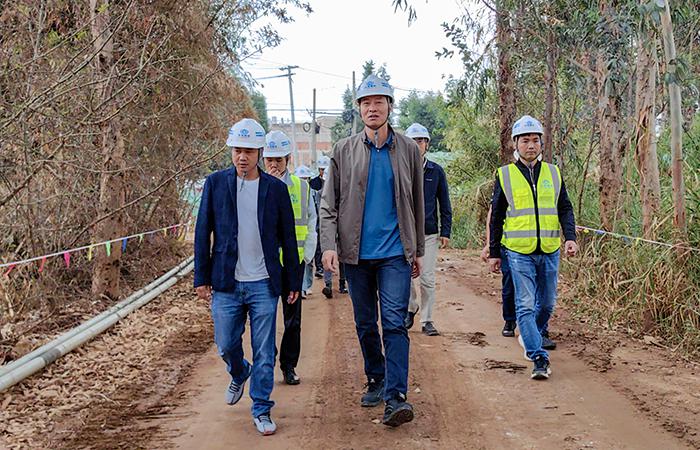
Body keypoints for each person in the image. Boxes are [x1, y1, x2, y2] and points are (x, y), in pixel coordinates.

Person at [320, 74, 425, 427]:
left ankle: (396, 397)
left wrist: (417, 249)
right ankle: (376, 378)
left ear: (390, 106)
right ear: (359, 109)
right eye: (366, 103)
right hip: (356, 255)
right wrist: (328, 246)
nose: (372, 108)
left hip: (395, 253)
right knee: (365, 323)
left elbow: (417, 201)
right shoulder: (343, 151)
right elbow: (329, 205)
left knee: (394, 323)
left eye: (379, 101)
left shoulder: (408, 150)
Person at [194, 118, 300, 435]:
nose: (242, 157)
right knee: (226, 343)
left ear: (259, 153)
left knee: (265, 351)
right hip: (226, 281)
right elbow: (202, 232)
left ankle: (262, 408)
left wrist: (293, 281)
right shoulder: (215, 184)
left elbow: (288, 238)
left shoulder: (276, 190)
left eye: (249, 151)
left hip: (264, 283)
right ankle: (240, 372)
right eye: (238, 150)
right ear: (232, 151)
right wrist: (201, 277)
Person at [488, 115, 578, 380]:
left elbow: (565, 207)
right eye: (525, 140)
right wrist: (494, 252)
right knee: (525, 305)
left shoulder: (553, 172)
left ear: (541, 143)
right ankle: (538, 357)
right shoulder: (505, 175)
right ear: (515, 143)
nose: (531, 145)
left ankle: (530, 335)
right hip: (518, 252)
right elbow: (496, 217)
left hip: (549, 249)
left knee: (547, 304)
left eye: (535, 140)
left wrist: (570, 237)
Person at [263, 131, 317, 386]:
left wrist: (307, 256)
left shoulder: (301, 187)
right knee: (264, 317)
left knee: (292, 320)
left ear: (288, 160)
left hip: (293, 263)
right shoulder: (255, 186)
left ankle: (289, 365)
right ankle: (267, 361)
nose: (273, 165)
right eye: (269, 159)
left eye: (278, 160)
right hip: (264, 264)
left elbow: (311, 222)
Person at [403, 123, 452, 337]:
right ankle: (410, 306)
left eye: (422, 140)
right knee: (404, 275)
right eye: (414, 141)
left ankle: (427, 319)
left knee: (427, 278)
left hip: (429, 233)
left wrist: (445, 231)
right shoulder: (400, 169)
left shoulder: (436, 171)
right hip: (404, 233)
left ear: (427, 144)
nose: (418, 144)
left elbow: (444, 202)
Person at [482, 204, 517, 338]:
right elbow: (493, 216)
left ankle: (540, 327)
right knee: (509, 285)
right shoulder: (503, 190)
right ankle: (509, 320)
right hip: (507, 245)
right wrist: (491, 246)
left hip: (537, 248)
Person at [294, 164, 317, 296]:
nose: (303, 180)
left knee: (308, 264)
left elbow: (312, 216)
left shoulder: (309, 191)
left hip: (305, 239)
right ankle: (301, 288)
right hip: (291, 243)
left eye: (305, 178)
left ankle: (306, 286)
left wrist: (311, 239)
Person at [311, 156, 329, 279]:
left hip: (329, 218)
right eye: (321, 169)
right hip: (318, 217)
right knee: (318, 244)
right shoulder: (314, 183)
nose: (323, 171)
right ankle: (320, 267)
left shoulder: (334, 180)